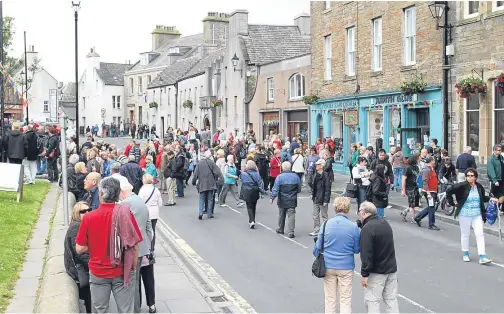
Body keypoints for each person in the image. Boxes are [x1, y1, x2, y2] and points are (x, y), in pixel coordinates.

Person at [75, 177, 143, 313]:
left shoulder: (89, 217)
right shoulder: (126, 213)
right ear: (118, 194)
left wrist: (95, 245)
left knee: (100, 310)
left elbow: (79, 248)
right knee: (125, 311)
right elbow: (134, 246)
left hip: (98, 273)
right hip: (122, 271)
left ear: (100, 194)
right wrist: (133, 268)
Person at [313, 197, 360, 313]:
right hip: (346, 267)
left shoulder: (325, 225)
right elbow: (356, 249)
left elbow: (318, 247)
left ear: (334, 208)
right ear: (347, 209)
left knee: (330, 299)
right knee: (345, 299)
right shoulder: (353, 227)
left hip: (328, 265)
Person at [446, 168, 495, 264]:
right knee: (465, 234)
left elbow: (483, 198)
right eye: (468, 175)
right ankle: (465, 253)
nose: (469, 177)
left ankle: (482, 256)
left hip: (477, 214)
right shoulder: (462, 186)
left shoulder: (479, 186)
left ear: (475, 177)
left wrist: (491, 199)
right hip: (464, 214)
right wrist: (452, 203)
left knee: (480, 234)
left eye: (471, 175)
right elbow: (449, 190)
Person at [119, 180, 154, 314]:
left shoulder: (124, 204)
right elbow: (148, 226)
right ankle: (136, 308)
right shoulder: (140, 201)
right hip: (142, 247)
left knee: (131, 283)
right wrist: (148, 245)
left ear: (123, 192)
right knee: (136, 279)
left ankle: (134, 309)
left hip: (131, 248)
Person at [358, 202, 399, 313]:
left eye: (360, 213)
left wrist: (365, 274)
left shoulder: (367, 229)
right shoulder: (385, 223)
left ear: (364, 213)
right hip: (391, 269)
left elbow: (366, 253)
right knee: (391, 300)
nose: (359, 216)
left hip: (377, 272)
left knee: (372, 301)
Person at [64, 202, 92, 313]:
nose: (87, 213)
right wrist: (93, 264)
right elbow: (79, 253)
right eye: (83, 211)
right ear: (77, 213)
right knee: (90, 297)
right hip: (79, 269)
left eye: (89, 210)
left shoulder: (81, 225)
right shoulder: (77, 227)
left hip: (80, 266)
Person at [270, 161, 302, 238]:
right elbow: (299, 188)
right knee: (291, 215)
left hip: (282, 198)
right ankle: (291, 231)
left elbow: (275, 189)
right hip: (292, 198)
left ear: (283, 168)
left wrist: (272, 198)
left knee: (281, 214)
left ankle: (281, 228)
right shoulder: (296, 176)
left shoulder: (279, 177)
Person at [192, 150, 224, 220]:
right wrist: (221, 181)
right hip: (211, 183)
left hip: (202, 184)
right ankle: (209, 214)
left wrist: (193, 182)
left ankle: (200, 213)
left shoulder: (199, 164)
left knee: (201, 199)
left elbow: (195, 174)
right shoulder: (211, 163)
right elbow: (218, 172)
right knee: (210, 199)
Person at [414, 157, 440, 230]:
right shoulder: (427, 170)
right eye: (434, 160)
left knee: (431, 207)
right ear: (431, 161)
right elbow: (425, 182)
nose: (435, 161)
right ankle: (431, 224)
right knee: (432, 207)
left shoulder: (431, 169)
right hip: (429, 191)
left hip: (433, 191)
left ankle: (418, 217)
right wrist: (428, 193)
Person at [138, 174, 162, 252]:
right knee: (152, 230)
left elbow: (140, 202)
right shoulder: (156, 190)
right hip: (154, 213)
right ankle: (152, 248)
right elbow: (160, 203)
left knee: (144, 231)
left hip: (145, 213)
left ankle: (146, 248)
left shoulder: (142, 190)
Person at [240, 160, 266, 228]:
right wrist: (262, 192)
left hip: (247, 191)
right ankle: (252, 220)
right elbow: (260, 183)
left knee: (249, 206)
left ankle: (251, 220)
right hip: (255, 191)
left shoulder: (243, 174)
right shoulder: (257, 173)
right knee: (254, 206)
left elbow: (242, 181)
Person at [308, 159, 331, 236]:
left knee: (324, 216)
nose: (316, 166)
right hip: (316, 198)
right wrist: (312, 194)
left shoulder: (326, 175)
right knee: (315, 215)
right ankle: (317, 230)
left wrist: (326, 200)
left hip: (322, 198)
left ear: (321, 166)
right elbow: (314, 187)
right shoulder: (316, 174)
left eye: (317, 165)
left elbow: (327, 189)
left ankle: (324, 231)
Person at [400, 156, 420, 224]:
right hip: (409, 188)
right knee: (412, 204)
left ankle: (404, 212)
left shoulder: (416, 168)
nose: (418, 160)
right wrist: (403, 190)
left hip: (415, 187)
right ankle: (413, 218)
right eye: (417, 159)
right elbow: (403, 179)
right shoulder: (407, 168)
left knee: (415, 204)